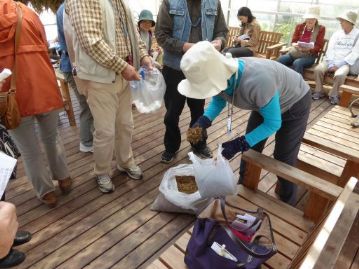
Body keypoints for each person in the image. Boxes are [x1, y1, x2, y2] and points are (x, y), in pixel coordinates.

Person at [182, 41, 311, 204]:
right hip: (264, 102)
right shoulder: (223, 76)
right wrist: (202, 122)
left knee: (283, 155)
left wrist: (238, 143)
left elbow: (273, 123)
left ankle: (287, 201)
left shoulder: (257, 82)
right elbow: (218, 99)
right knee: (251, 150)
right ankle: (244, 186)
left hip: (295, 102)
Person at [65, 0, 153, 193]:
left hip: (124, 74)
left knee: (125, 124)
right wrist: (123, 67)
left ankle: (125, 161)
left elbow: (132, 35)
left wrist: (144, 56)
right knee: (105, 131)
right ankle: (102, 171)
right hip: (100, 78)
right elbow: (91, 41)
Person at [0, 0, 72, 208]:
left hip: (11, 92)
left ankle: (46, 192)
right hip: (42, 83)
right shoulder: (27, 12)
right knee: (52, 137)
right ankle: (64, 178)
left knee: (29, 149)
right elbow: (45, 44)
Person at [155, 0, 228, 163]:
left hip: (201, 69)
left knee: (198, 111)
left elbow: (222, 32)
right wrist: (186, 46)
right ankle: (171, 146)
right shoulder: (169, 2)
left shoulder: (214, 3)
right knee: (172, 113)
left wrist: (219, 42)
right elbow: (161, 35)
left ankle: (198, 144)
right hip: (174, 68)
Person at [56, 3, 94, 153]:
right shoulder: (67, 8)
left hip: (74, 66)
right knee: (87, 105)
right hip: (73, 67)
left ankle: (91, 138)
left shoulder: (67, 7)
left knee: (90, 104)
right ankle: (86, 142)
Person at [312, 10, 359, 105]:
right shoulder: (337, 33)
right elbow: (330, 49)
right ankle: (319, 91)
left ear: (350, 22)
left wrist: (338, 65)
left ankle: (333, 94)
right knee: (318, 70)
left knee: (340, 75)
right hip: (330, 60)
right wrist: (331, 64)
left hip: (345, 63)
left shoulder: (357, 35)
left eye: (343, 21)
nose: (340, 22)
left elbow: (355, 53)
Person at [277, 6, 325, 75]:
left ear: (316, 19)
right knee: (281, 60)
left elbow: (318, 46)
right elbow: (294, 41)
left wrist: (308, 49)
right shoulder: (299, 26)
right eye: (308, 18)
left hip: (309, 56)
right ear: (306, 18)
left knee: (297, 62)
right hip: (295, 53)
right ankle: (280, 81)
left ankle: (298, 84)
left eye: (312, 18)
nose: (310, 20)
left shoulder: (321, 29)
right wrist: (295, 45)